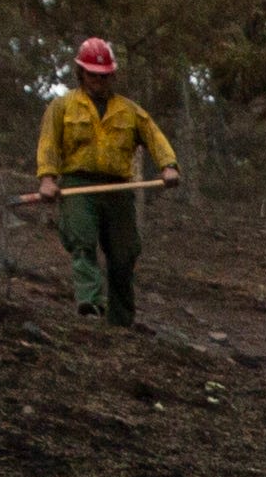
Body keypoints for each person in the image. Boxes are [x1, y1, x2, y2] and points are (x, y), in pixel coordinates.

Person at [21, 36, 175, 322]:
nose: (98, 81)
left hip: (118, 188)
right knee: (82, 242)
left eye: (104, 76)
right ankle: (91, 305)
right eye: (93, 75)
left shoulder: (129, 110)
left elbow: (154, 137)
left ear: (112, 75)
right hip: (78, 185)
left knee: (124, 253)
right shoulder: (63, 106)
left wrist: (168, 165)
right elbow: (49, 144)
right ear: (81, 73)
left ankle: (121, 321)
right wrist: (47, 179)